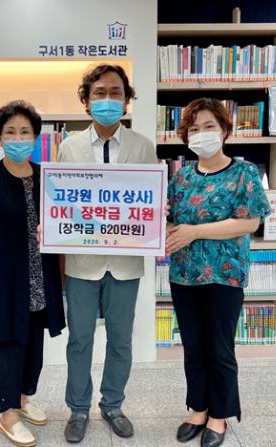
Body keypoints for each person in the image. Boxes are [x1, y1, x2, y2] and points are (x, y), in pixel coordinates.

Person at [56, 64, 157, 443]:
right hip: (82, 263)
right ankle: (78, 408)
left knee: (121, 339)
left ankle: (112, 404)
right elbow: (61, 201)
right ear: (86, 101)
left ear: (127, 100)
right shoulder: (69, 147)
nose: (108, 100)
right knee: (79, 339)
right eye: (100, 93)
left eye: (116, 92)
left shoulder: (143, 146)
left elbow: (149, 201)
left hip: (126, 263)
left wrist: (156, 211)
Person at [165, 98, 271, 447]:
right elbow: (171, 222)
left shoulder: (244, 172)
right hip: (184, 275)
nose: (201, 134)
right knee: (193, 346)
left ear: (225, 129)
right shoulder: (181, 178)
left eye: (209, 126)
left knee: (220, 347)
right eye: (193, 129)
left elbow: (249, 222)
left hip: (224, 275)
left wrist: (195, 232)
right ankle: (197, 408)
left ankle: (219, 415)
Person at [0, 100, 66, 447]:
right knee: (5, 345)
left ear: (36, 137)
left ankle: (23, 399)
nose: (18, 138)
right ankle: (7, 414)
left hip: (39, 278)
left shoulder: (47, 177)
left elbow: (62, 223)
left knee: (32, 344)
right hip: (3, 278)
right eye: (10, 132)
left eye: (25, 132)